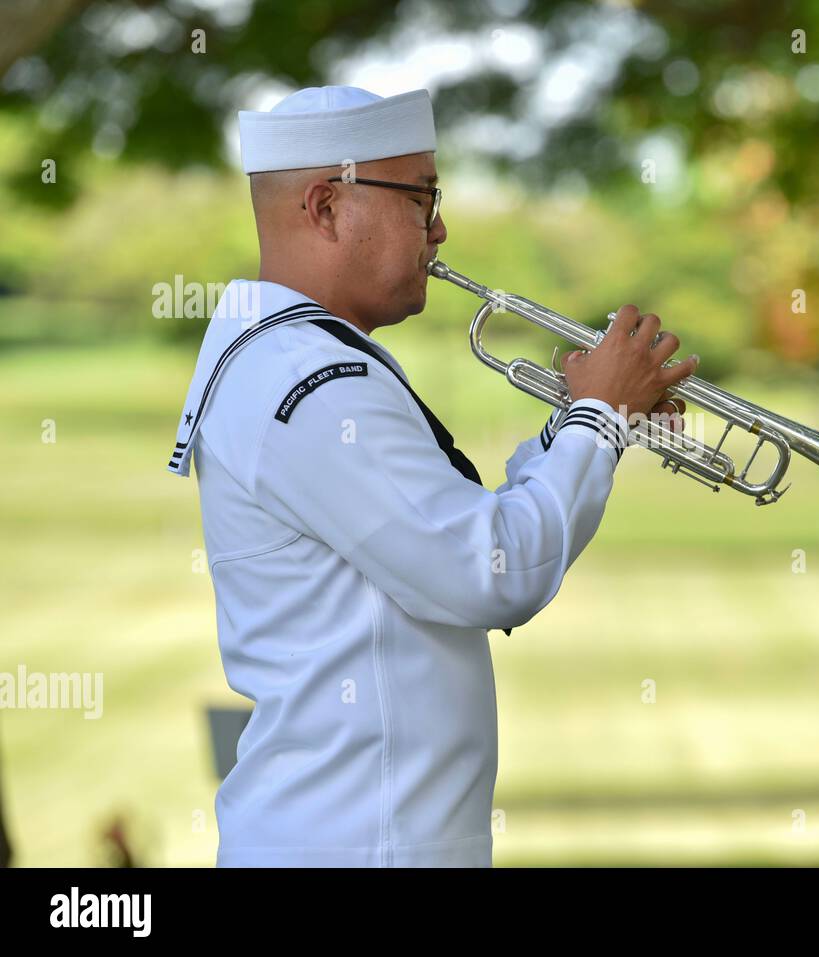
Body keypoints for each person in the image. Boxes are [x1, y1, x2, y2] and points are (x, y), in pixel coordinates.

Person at [166, 85, 697, 866]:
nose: (440, 228)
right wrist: (600, 418)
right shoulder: (313, 382)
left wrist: (584, 422)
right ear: (325, 207)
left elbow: (458, 534)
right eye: (421, 198)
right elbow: (497, 572)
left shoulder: (297, 359)